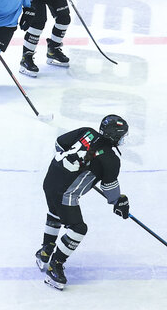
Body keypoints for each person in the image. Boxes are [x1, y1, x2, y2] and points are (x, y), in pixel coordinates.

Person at [36, 115, 131, 290]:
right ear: (115, 136)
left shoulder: (87, 132)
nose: (123, 139)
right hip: (65, 193)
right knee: (78, 229)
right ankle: (54, 265)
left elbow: (59, 143)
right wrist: (120, 202)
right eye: (122, 135)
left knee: (55, 212)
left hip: (50, 180)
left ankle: (45, 251)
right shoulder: (110, 159)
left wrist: (78, 167)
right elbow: (110, 189)